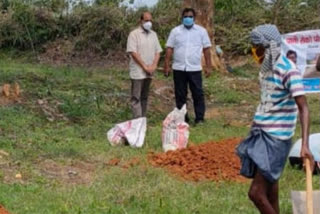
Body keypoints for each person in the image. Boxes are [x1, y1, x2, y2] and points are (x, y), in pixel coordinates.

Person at [237, 24, 314, 214]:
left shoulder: (289, 71)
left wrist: (305, 144)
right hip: (261, 133)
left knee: (255, 193)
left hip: (276, 140)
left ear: (269, 47)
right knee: (270, 189)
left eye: (258, 48)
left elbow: (303, 107)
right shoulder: (266, 69)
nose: (255, 52)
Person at [164, 8, 212, 124]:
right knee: (180, 94)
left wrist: (208, 66)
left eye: (190, 16)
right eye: (185, 16)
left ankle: (199, 118)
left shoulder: (201, 31)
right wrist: (167, 65)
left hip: (194, 68)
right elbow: (169, 48)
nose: (188, 19)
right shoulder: (176, 31)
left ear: (194, 18)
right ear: (182, 18)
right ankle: (182, 118)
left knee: (198, 93)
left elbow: (206, 49)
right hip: (179, 68)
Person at [126, 12, 162, 118]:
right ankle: (137, 121)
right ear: (141, 21)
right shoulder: (134, 34)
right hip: (138, 71)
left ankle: (143, 119)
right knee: (136, 97)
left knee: (144, 97)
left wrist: (154, 65)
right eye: (146, 20)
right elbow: (133, 53)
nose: (149, 23)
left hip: (150, 71)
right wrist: (145, 66)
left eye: (150, 20)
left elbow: (158, 52)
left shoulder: (153, 34)